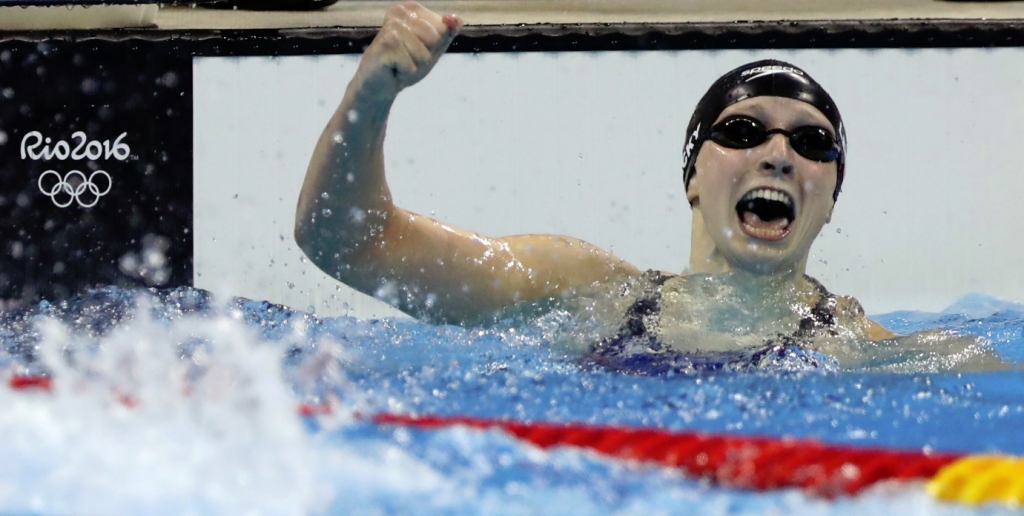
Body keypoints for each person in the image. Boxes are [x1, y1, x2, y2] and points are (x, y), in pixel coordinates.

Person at [295, 1, 1002, 371]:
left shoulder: (865, 351)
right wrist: (372, 94)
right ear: (693, 177)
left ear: (831, 198)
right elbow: (346, 243)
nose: (780, 154)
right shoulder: (581, 291)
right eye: (745, 131)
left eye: (812, 143)